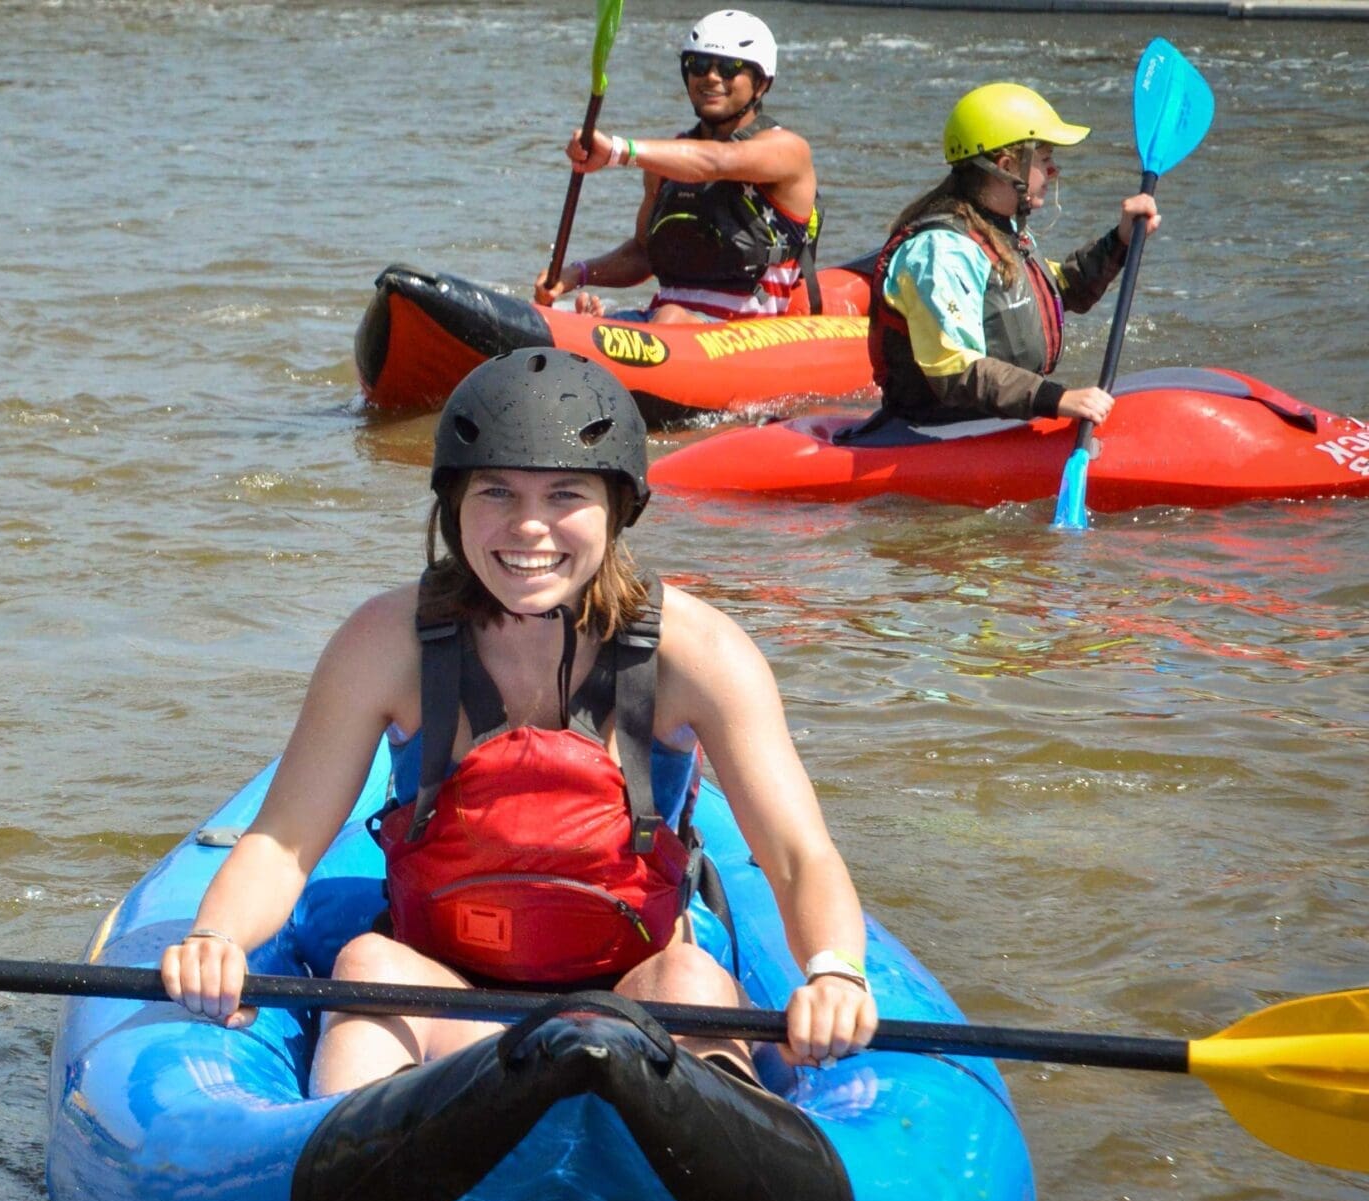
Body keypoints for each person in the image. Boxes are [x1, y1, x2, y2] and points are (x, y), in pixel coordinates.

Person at [158, 350, 876, 1093]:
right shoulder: (384, 642)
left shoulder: (699, 654)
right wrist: (217, 938)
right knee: (366, 966)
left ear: (618, 507)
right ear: (454, 505)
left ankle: (715, 1154)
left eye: (565, 493)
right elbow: (281, 845)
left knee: (692, 977)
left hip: (635, 996)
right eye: (497, 491)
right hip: (441, 991)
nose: (529, 527)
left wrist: (833, 972)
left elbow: (797, 855)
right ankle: (353, 1161)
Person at [866, 82, 1160, 427]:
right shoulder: (941, 251)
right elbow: (955, 370)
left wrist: (1120, 240)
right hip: (935, 429)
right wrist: (1057, 398)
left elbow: (1059, 289)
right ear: (1007, 165)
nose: (1054, 171)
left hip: (994, 418)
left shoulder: (999, 230)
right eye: (1045, 159)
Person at [532, 9, 823, 323]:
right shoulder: (665, 161)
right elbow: (643, 253)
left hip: (745, 338)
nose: (711, 76)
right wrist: (576, 274)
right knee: (643, 317)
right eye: (698, 65)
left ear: (761, 84)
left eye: (729, 68)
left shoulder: (787, 150)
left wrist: (618, 150)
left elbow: (716, 161)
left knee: (670, 317)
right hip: (667, 329)